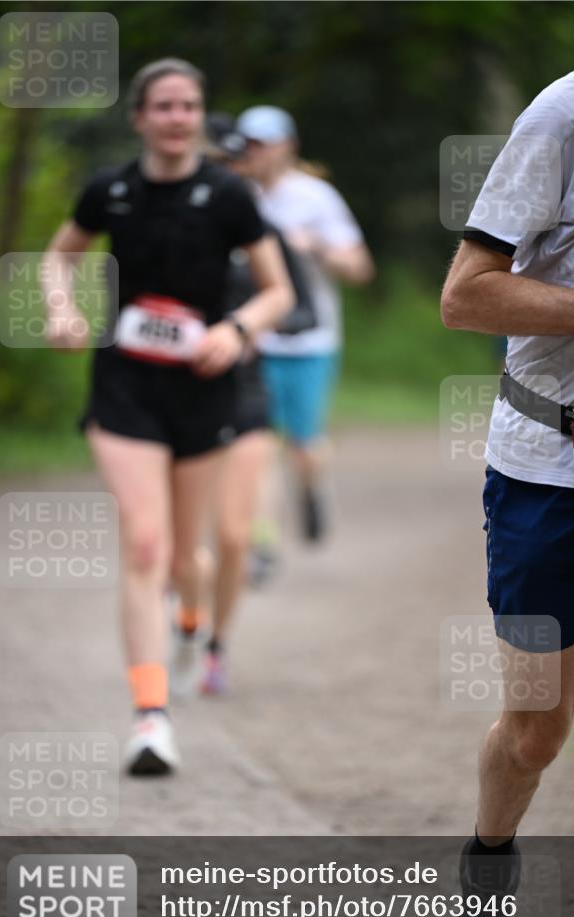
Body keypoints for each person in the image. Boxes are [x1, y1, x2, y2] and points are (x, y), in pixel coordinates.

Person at [441, 30, 574, 917]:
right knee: (534, 726)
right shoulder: (567, 116)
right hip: (543, 466)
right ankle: (486, 860)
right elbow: (464, 298)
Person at [42, 59, 292, 776]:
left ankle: (191, 624)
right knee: (145, 546)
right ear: (140, 117)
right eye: (164, 106)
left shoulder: (227, 195)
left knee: (189, 557)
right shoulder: (111, 190)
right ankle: (150, 719)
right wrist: (61, 306)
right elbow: (57, 259)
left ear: (199, 114)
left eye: (189, 105)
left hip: (203, 389)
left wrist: (236, 330)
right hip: (124, 388)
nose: (178, 117)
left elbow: (274, 291)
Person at [168, 112, 317, 695]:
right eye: (217, 165)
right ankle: (184, 618)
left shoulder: (265, 237)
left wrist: (250, 327)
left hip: (244, 395)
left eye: (237, 166)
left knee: (232, 536)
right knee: (180, 547)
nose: (227, 177)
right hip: (172, 400)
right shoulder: (169, 233)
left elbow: (302, 308)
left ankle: (215, 649)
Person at [235, 105, 375, 543]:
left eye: (262, 143)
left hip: (309, 342)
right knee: (258, 445)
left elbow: (359, 267)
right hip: (254, 340)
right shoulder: (235, 195)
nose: (253, 152)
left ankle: (312, 488)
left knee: (303, 446)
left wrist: (312, 246)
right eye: (248, 144)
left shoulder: (316, 197)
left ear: (287, 147)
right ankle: (262, 541)